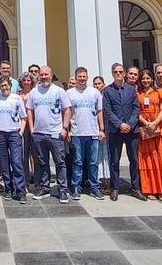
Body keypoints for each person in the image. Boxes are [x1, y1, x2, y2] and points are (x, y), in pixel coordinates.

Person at [26, 66, 72, 203]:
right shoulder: (34, 92)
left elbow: (67, 109)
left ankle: (62, 190)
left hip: (55, 133)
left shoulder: (59, 91)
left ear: (51, 76)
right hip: (39, 134)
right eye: (42, 74)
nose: (44, 76)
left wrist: (64, 128)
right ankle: (45, 188)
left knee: (60, 162)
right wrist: (32, 129)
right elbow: (29, 110)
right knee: (42, 162)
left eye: (46, 74)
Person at [136, 70, 162, 201]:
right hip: (145, 127)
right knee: (148, 158)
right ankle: (150, 189)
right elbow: (135, 110)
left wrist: (155, 122)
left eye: (148, 78)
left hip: (159, 126)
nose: (146, 81)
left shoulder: (160, 92)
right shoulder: (137, 94)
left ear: (152, 79)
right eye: (143, 78)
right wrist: (147, 123)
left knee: (161, 157)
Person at [103, 63, 143, 201]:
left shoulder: (131, 90)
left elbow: (136, 108)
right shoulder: (107, 90)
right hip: (115, 130)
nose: (118, 74)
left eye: (120, 71)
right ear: (112, 74)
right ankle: (115, 188)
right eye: (116, 72)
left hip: (131, 130)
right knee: (114, 160)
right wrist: (120, 124)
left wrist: (130, 124)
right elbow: (107, 111)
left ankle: (135, 188)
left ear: (124, 73)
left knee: (134, 160)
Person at [66, 67, 105, 200]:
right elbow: (67, 112)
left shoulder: (95, 93)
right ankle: (76, 186)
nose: (82, 79)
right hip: (77, 133)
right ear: (76, 78)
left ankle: (94, 187)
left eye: (84, 76)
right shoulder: (69, 93)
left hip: (93, 132)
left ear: (87, 77)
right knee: (77, 161)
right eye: (79, 77)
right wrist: (67, 129)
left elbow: (100, 111)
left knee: (93, 162)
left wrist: (102, 129)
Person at [0, 76, 29, 204]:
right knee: (4, 163)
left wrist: (21, 132)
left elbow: (23, 117)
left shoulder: (16, 98)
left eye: (6, 85)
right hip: (0, 134)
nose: (4, 88)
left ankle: (20, 191)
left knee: (17, 162)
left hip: (14, 133)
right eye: (2, 86)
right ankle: (8, 188)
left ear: (10, 86)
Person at [18, 72, 39, 193]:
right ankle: (24, 182)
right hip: (22, 128)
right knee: (23, 156)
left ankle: (37, 182)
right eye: (24, 80)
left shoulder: (35, 93)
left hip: (35, 126)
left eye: (28, 80)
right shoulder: (17, 94)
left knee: (36, 155)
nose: (26, 82)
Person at [92, 75, 112, 194]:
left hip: (107, 130)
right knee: (97, 156)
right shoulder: (92, 96)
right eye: (95, 84)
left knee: (106, 156)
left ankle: (108, 182)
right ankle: (100, 181)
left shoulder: (106, 97)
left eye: (99, 84)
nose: (97, 86)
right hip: (95, 129)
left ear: (103, 85)